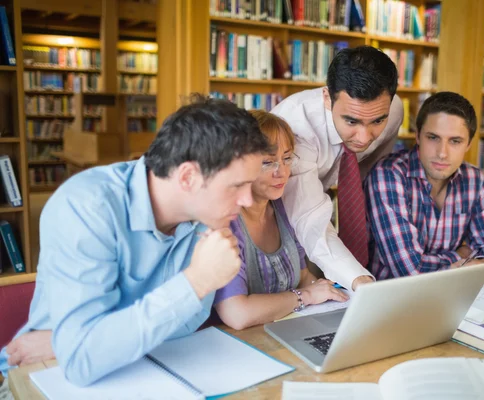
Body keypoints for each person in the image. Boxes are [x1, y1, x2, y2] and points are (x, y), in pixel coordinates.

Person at [0, 95, 271, 386]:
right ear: (188, 177)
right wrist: (195, 283)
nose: (246, 200)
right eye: (237, 186)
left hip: (141, 370)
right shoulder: (85, 206)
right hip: (40, 376)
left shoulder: (209, 216)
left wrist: (72, 341)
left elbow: (186, 323)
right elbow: (81, 360)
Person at [271, 45, 404, 292]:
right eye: (351, 121)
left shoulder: (394, 110)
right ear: (326, 98)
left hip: (327, 194)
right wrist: (359, 281)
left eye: (377, 121)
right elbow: (309, 220)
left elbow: (372, 166)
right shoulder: (296, 129)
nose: (364, 137)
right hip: (278, 210)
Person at [214, 110, 349, 330]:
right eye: (268, 162)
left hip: (285, 331)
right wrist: (305, 296)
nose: (282, 172)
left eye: (286, 159)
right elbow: (236, 313)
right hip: (236, 345)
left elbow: (303, 276)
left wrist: (336, 296)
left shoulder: (284, 207)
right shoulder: (225, 222)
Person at [365, 91, 484, 281]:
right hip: (393, 299)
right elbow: (409, 269)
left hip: (452, 292)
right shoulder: (388, 175)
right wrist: (462, 255)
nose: (442, 153)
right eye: (433, 138)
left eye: (455, 141)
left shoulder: (474, 180)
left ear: (468, 145)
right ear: (418, 136)